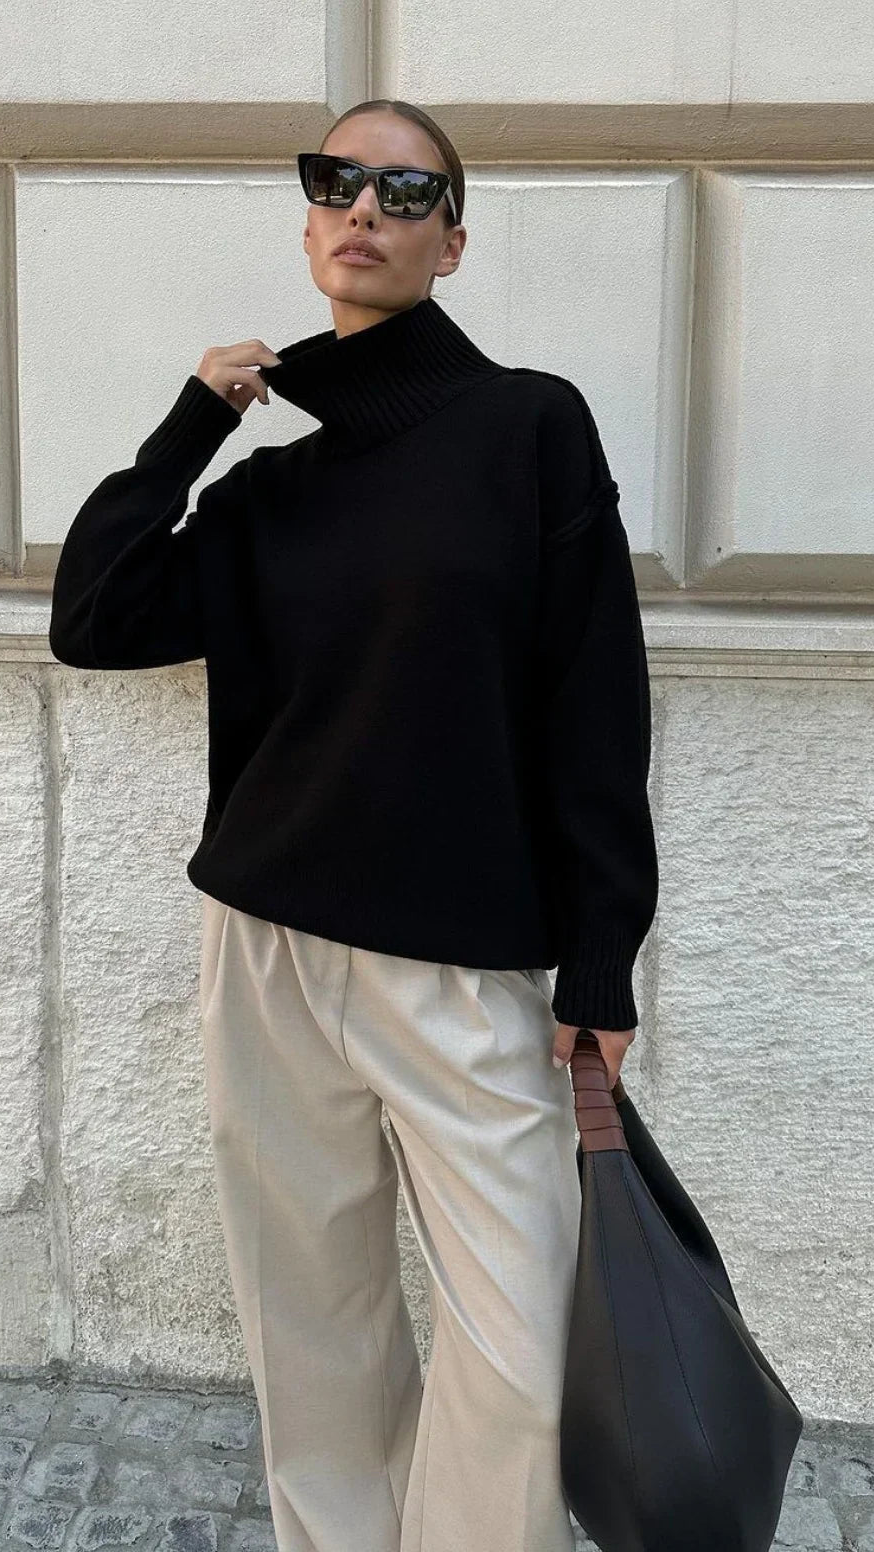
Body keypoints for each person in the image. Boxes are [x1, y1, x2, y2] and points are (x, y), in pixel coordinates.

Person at [49, 97, 658, 1552]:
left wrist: (602, 955)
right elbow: (95, 619)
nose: (366, 208)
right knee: (309, 1325)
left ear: (453, 242)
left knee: (523, 1346)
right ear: (312, 216)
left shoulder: (529, 426)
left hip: (461, 967)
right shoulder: (274, 488)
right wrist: (192, 424)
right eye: (337, 181)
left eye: (406, 189)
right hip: (266, 947)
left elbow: (594, 700)